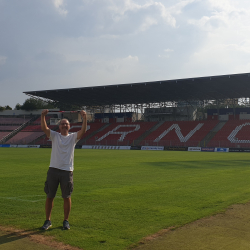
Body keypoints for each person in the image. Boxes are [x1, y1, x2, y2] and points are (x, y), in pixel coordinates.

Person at [40, 109, 87, 230]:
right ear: (59, 126)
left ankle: (66, 221)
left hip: (67, 171)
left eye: (66, 123)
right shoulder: (55, 135)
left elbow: (83, 131)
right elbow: (44, 128)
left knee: (67, 196)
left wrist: (84, 118)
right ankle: (48, 220)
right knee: (50, 196)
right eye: (62, 123)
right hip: (53, 170)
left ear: (69, 126)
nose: (64, 125)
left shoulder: (73, 137)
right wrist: (43, 116)